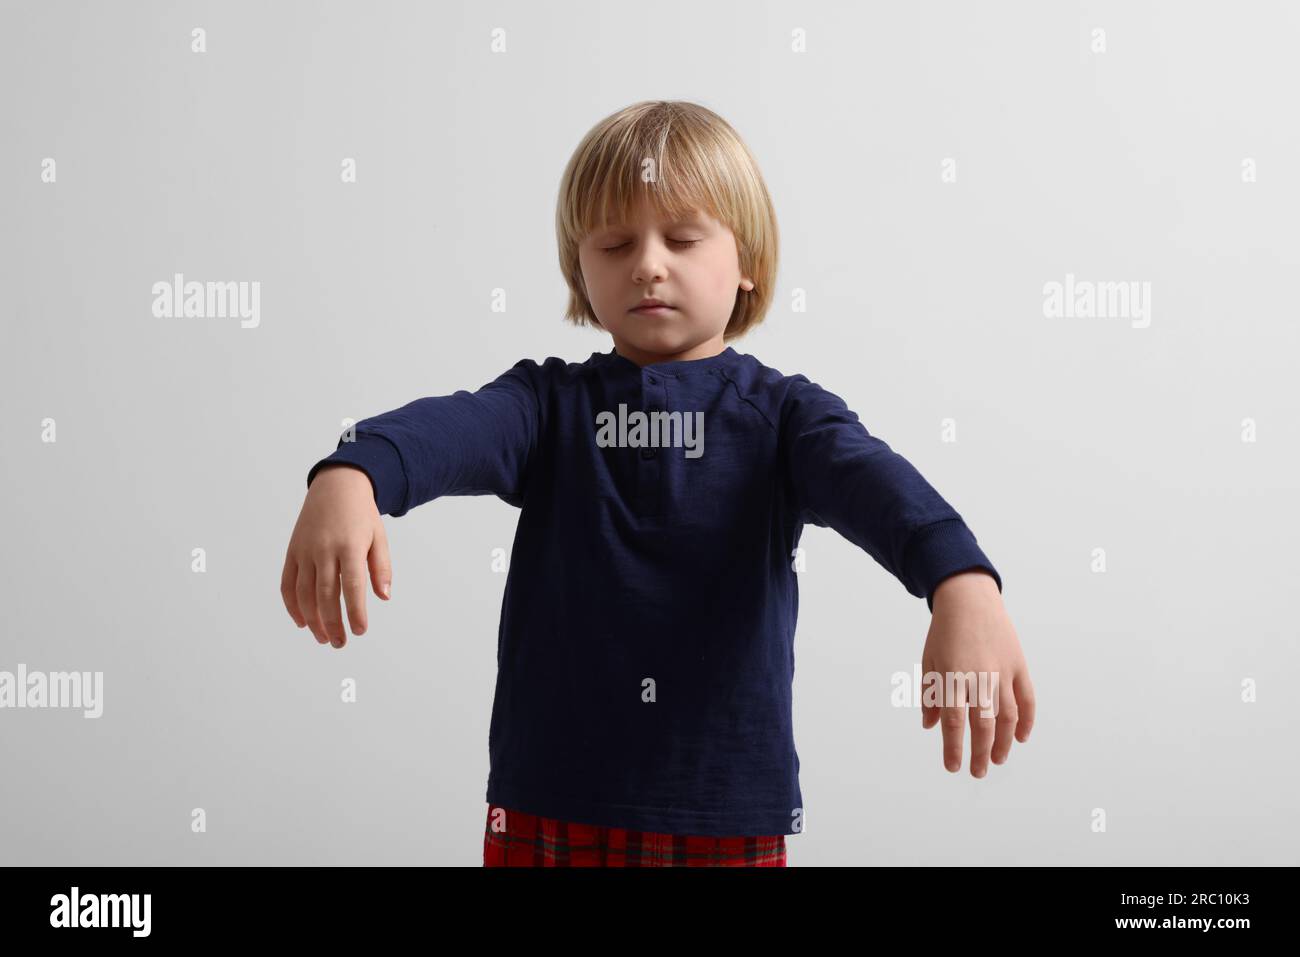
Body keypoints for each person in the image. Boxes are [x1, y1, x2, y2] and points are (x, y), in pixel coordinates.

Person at [280, 100, 1036, 867]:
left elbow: (875, 482)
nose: (647, 263)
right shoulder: (547, 405)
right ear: (581, 266)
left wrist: (960, 579)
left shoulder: (783, 417)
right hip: (549, 806)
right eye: (613, 242)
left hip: (726, 816)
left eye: (681, 238)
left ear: (746, 261)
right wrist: (355, 467)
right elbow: (451, 429)